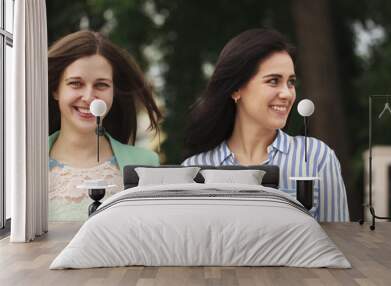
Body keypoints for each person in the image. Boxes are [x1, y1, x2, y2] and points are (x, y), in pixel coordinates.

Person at [182, 28, 349, 222]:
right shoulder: (194, 169)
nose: (287, 94)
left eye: (291, 82)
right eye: (273, 81)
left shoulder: (318, 157)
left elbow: (339, 241)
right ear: (236, 89)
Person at [48, 30, 162, 221]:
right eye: (76, 83)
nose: (89, 98)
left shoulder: (147, 163)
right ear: (56, 90)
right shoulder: (19, 163)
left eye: (101, 85)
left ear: (113, 92)